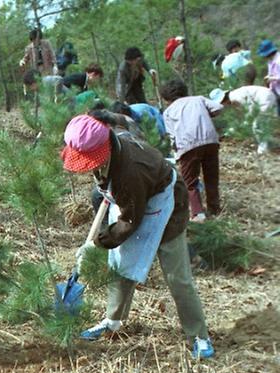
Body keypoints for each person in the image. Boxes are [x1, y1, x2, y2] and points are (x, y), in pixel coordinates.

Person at [61, 114, 213, 359]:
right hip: (133, 201)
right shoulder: (111, 141)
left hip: (165, 204)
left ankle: (198, 335)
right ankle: (112, 320)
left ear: (104, 148)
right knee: (120, 266)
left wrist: (96, 243)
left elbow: (129, 222)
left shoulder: (130, 172)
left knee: (177, 276)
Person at [161, 79, 223, 222]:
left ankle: (198, 213)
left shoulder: (169, 111)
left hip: (188, 145)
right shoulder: (198, 99)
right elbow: (218, 107)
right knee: (211, 177)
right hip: (210, 141)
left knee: (190, 182)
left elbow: (172, 135)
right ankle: (214, 209)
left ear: (166, 98)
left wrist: (176, 152)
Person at [210, 86, 277, 153]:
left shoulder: (236, 98)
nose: (222, 105)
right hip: (264, 97)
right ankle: (269, 146)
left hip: (264, 98)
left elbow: (252, 109)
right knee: (261, 125)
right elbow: (240, 118)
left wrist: (246, 122)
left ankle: (263, 151)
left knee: (258, 125)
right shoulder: (233, 99)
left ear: (223, 99)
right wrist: (229, 132)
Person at [257, 39, 280, 116]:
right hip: (276, 91)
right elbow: (271, 73)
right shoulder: (270, 61)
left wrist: (273, 78)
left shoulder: (278, 60)